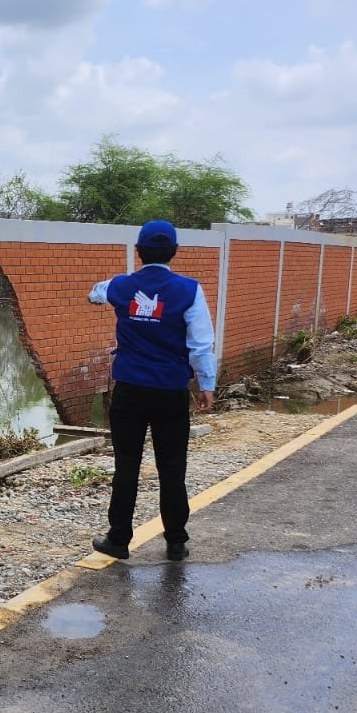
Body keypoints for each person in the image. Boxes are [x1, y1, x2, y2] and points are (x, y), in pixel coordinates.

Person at [87, 220, 216, 562]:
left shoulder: (121, 286)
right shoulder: (189, 290)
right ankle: (175, 541)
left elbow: (94, 294)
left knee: (126, 463)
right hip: (170, 391)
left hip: (130, 390)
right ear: (174, 252)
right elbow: (201, 345)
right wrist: (207, 386)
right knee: (172, 466)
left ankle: (118, 540)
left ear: (138, 252)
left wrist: (116, 295)